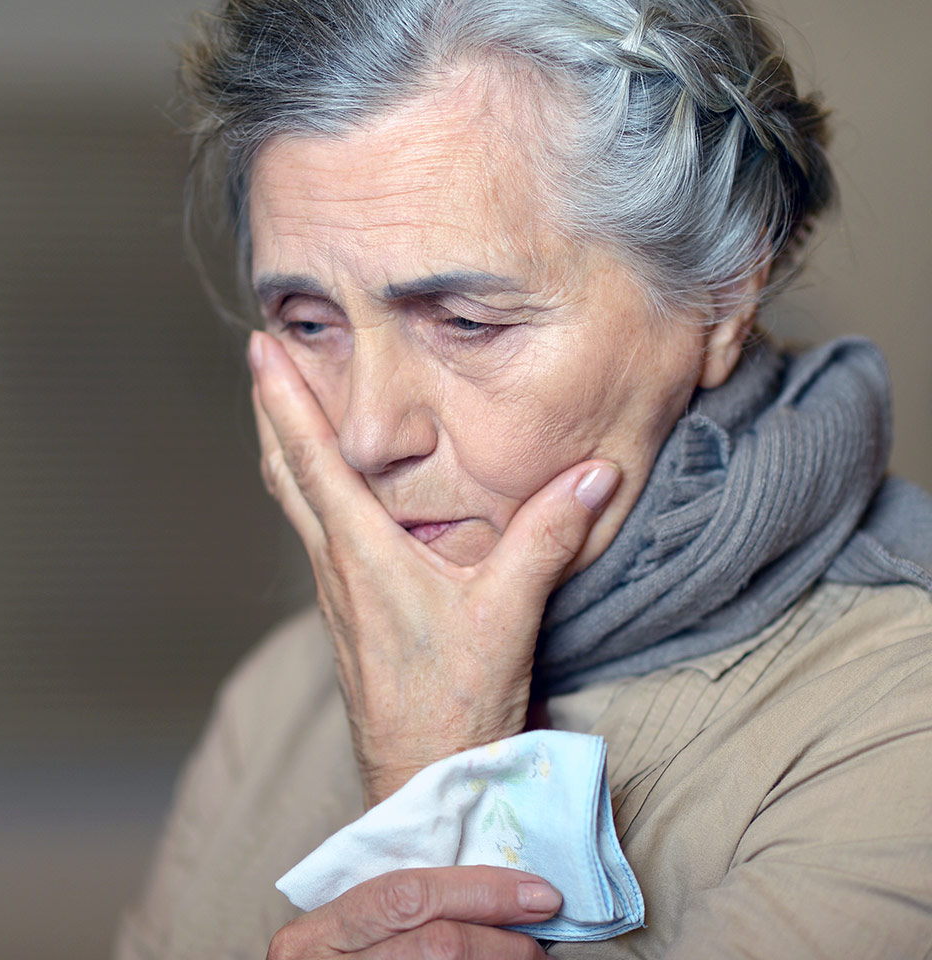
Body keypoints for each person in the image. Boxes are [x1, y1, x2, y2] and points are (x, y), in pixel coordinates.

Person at [116, 0, 932, 957]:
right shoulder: (275, 700)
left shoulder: (895, 722)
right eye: (307, 324)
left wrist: (437, 786)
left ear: (719, 297)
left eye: (468, 323)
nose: (367, 434)